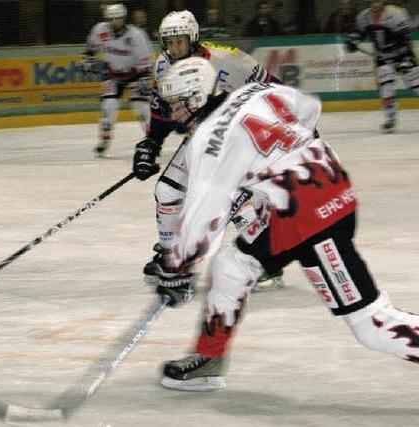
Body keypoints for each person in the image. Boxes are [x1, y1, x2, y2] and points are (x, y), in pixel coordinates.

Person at [150, 57, 419, 392]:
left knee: (372, 325)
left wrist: (179, 269)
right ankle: (210, 357)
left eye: (176, 105)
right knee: (234, 265)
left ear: (194, 99)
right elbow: (308, 108)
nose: (171, 113)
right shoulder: (253, 92)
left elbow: (203, 217)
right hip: (320, 187)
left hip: (310, 215)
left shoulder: (205, 141)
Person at [132, 10, 285, 291]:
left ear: (193, 38)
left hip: (239, 138)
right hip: (202, 139)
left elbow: (273, 88)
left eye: (180, 41)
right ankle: (170, 255)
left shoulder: (227, 59)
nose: (174, 48)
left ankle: (267, 258)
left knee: (233, 196)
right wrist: (151, 143)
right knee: (167, 191)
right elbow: (160, 108)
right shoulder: (163, 65)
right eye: (169, 41)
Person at [82, 3, 153, 158]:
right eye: (111, 19)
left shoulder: (136, 35)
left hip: (135, 74)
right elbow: (90, 49)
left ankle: (152, 140)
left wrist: (145, 78)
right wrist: (88, 60)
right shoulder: (100, 30)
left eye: (118, 18)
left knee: (141, 107)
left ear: (124, 18)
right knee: (108, 106)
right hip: (112, 75)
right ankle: (104, 140)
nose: (115, 22)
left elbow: (146, 59)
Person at [344, 0, 419, 133]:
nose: (375, 3)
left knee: (416, 83)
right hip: (382, 57)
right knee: (386, 88)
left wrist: (405, 60)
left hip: (402, 54)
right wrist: (352, 40)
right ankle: (390, 119)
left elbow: (406, 38)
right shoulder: (364, 16)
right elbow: (358, 32)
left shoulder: (396, 13)